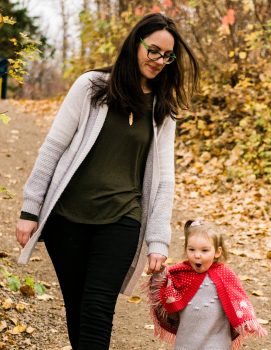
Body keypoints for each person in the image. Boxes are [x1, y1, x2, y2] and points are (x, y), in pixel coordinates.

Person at [15, 13, 199, 350]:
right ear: (135, 44)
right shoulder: (91, 87)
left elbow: (164, 178)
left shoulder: (163, 109)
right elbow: (53, 146)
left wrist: (158, 238)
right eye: (153, 50)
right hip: (68, 216)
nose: (159, 61)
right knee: (78, 308)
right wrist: (31, 209)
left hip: (122, 218)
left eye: (167, 56)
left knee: (98, 309)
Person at [145, 219, 268, 350]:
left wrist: (247, 320)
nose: (197, 255)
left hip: (217, 341)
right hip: (187, 340)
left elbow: (238, 300)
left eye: (204, 250)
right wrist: (159, 274)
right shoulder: (180, 274)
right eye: (191, 249)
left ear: (217, 252)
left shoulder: (225, 275)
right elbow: (164, 292)